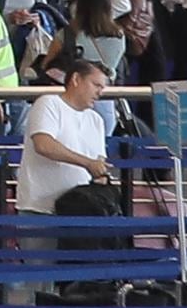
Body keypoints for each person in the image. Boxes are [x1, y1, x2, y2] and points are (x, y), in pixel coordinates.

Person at [18, 53, 121, 215]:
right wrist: (87, 163)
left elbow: (98, 161)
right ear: (76, 79)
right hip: (40, 208)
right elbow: (43, 145)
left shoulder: (96, 120)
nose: (100, 93)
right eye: (96, 85)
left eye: (102, 88)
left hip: (79, 210)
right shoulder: (48, 103)